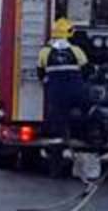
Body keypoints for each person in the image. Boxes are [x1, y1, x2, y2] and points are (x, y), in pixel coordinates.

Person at [38, 18, 90, 152]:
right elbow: (87, 71)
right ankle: (87, 135)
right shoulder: (77, 50)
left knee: (58, 123)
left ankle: (61, 145)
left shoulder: (45, 52)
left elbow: (41, 74)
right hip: (76, 93)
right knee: (89, 111)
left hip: (56, 96)